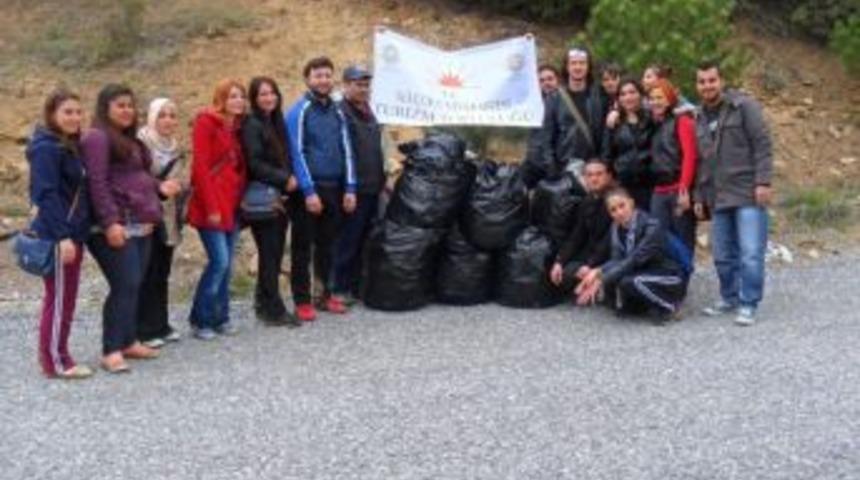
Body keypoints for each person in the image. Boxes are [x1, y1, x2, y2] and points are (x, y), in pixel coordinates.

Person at [83, 84, 169, 373]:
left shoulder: (128, 140)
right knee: (125, 284)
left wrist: (160, 187)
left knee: (135, 284)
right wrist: (110, 223)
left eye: (130, 106)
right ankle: (111, 350)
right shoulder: (97, 137)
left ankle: (129, 340)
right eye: (120, 105)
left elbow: (139, 176)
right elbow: (97, 182)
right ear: (105, 108)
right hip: (116, 224)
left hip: (141, 222)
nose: (127, 110)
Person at [693, 60, 773, 326]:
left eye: (712, 80)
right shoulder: (699, 116)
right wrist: (698, 196)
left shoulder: (744, 106)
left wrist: (763, 182)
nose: (707, 85)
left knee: (750, 251)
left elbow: (762, 144)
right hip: (719, 196)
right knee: (722, 254)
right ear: (697, 85)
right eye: (702, 81)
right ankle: (729, 297)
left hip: (748, 191)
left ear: (721, 81)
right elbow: (703, 161)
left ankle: (748, 302)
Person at [27, 89, 93, 379]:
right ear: (52, 114)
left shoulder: (67, 144)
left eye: (78, 112)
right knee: (59, 298)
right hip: (59, 236)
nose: (75, 117)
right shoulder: (46, 148)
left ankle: (58, 353)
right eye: (68, 112)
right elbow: (46, 194)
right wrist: (63, 236)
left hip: (71, 232)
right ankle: (55, 361)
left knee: (65, 297)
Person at [285, 57, 357, 322]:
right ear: (308, 79)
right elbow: (296, 152)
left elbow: (347, 148)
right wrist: (308, 190)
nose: (323, 80)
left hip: (335, 187)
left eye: (327, 75)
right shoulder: (299, 110)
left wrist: (350, 187)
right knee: (303, 247)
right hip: (309, 191)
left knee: (328, 245)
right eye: (318, 76)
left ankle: (325, 295)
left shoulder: (338, 111)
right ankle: (302, 300)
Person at [187, 79, 248, 339]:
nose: (238, 101)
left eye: (241, 96)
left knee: (227, 264)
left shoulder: (235, 128)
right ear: (221, 98)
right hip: (211, 205)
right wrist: (212, 206)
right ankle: (200, 319)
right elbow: (200, 167)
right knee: (219, 262)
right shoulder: (206, 122)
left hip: (232, 203)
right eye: (232, 96)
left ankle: (221, 317)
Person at [575, 188, 688, 325]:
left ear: (631, 203)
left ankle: (671, 306)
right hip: (646, 272)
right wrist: (597, 271)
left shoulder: (652, 225)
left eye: (622, 206)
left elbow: (633, 260)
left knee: (632, 281)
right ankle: (645, 306)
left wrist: (601, 278)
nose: (619, 212)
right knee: (622, 283)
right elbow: (617, 260)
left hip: (671, 276)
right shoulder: (616, 227)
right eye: (613, 210)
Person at [241, 76, 301, 327]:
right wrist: (284, 178)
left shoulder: (274, 121)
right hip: (265, 199)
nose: (269, 98)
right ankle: (274, 310)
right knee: (270, 254)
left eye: (272, 93)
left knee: (273, 254)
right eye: (262, 94)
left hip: (280, 197)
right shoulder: (252, 124)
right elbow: (254, 164)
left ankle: (263, 304)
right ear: (254, 99)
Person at [332, 65, 385, 304]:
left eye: (366, 85)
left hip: (373, 187)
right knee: (347, 241)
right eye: (358, 84)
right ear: (345, 85)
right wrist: (348, 188)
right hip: (353, 190)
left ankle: (354, 286)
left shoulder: (367, 111)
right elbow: (343, 154)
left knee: (364, 239)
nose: (363, 89)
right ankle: (338, 288)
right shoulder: (341, 112)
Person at [137, 98, 185, 348]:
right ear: (152, 117)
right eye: (162, 115)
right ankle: (143, 329)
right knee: (148, 271)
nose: (168, 120)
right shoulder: (141, 143)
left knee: (162, 271)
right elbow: (136, 178)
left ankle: (161, 325)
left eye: (172, 115)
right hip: (146, 215)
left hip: (169, 214)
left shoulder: (175, 146)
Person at [539, 46, 606, 186]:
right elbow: (546, 137)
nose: (578, 67)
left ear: (588, 67)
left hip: (594, 168)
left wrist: (604, 163)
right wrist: (552, 170)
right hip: (565, 167)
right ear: (567, 67)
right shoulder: (554, 98)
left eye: (582, 63)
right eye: (573, 63)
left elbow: (605, 133)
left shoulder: (599, 95)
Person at [548, 158, 615, 296]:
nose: (594, 179)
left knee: (576, 273)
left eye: (599, 174)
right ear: (584, 178)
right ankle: (592, 285)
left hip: (613, 257)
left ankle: (600, 284)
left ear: (608, 176)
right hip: (592, 253)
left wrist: (590, 265)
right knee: (563, 275)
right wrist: (560, 261)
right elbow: (577, 236)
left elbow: (609, 241)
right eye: (589, 175)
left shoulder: (615, 201)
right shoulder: (587, 201)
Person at [648, 78, 698, 253]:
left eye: (660, 97)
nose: (655, 102)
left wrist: (684, 189)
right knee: (659, 240)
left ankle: (683, 278)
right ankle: (668, 278)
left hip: (677, 188)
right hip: (659, 191)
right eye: (652, 98)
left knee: (682, 238)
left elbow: (689, 156)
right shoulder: (654, 125)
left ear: (669, 99)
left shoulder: (682, 121)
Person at [602, 78, 656, 211]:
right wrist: (612, 180)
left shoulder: (652, 118)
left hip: (650, 184)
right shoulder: (614, 122)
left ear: (641, 94)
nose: (628, 97)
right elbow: (607, 153)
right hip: (623, 185)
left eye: (632, 92)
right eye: (623, 94)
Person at [521, 64, 562, 188]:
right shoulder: (533, 104)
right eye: (542, 80)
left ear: (558, 80)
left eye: (550, 79)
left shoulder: (565, 103)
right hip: (534, 162)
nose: (546, 83)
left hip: (557, 163)